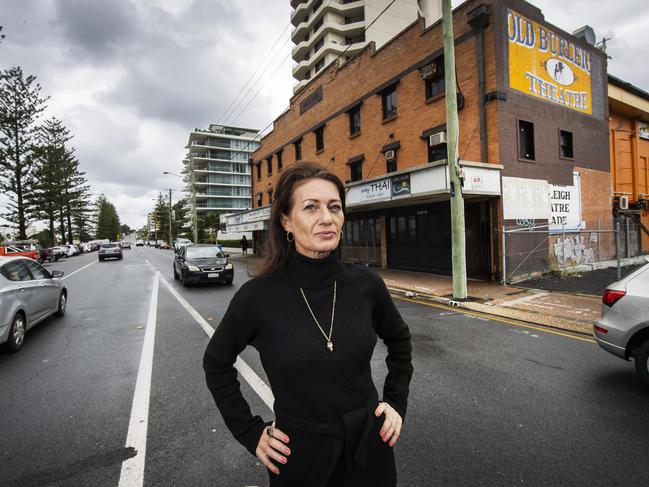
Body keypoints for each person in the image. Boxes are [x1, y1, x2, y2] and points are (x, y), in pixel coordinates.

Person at [203, 161, 413, 486]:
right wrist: (249, 431)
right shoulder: (258, 297)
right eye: (311, 207)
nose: (326, 218)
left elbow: (400, 342)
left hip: (369, 450)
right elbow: (216, 362)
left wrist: (396, 402)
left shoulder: (367, 285)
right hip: (299, 457)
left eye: (334, 207)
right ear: (286, 221)